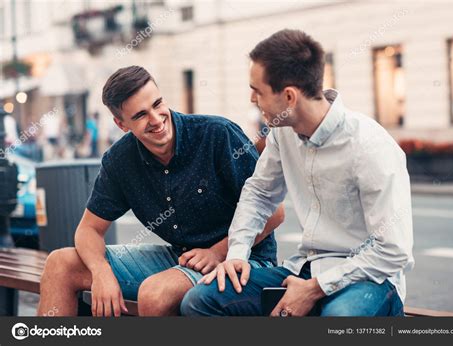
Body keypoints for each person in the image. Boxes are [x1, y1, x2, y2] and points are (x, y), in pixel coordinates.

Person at [180, 29, 414, 317]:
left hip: (368, 280)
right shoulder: (282, 132)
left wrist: (316, 288)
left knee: (337, 319)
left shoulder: (370, 147)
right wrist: (237, 254)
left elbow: (393, 252)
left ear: (289, 96)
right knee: (200, 300)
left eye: (258, 90)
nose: (253, 99)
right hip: (303, 269)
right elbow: (260, 193)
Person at [37, 66, 284, 317]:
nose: (156, 119)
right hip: (181, 260)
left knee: (156, 294)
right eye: (141, 114)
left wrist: (218, 252)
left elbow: (274, 211)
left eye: (157, 104)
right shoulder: (120, 160)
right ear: (121, 124)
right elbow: (88, 229)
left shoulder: (217, 135)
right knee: (60, 264)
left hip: (244, 260)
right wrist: (101, 272)